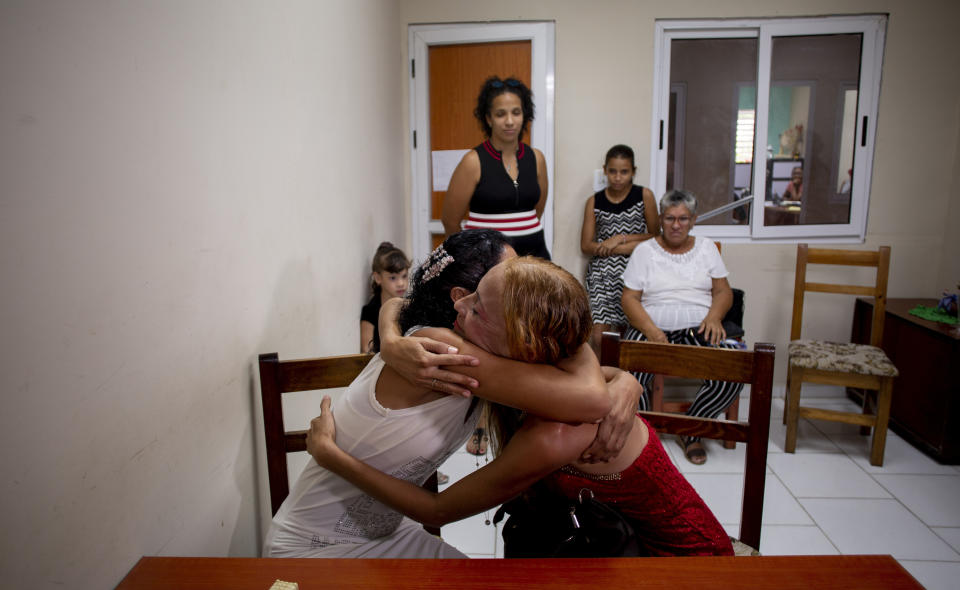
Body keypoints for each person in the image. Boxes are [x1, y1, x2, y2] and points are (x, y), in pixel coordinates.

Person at [307, 256, 733, 557]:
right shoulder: (558, 356)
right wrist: (393, 337)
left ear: (522, 344)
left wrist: (332, 456)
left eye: (477, 308)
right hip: (616, 547)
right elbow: (398, 304)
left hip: (680, 564)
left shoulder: (557, 430)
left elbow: (435, 510)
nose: (460, 305)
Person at [264, 230, 635, 559]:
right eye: (508, 275)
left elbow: (396, 303)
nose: (522, 278)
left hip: (390, 532)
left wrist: (625, 381)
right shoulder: (444, 349)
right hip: (314, 546)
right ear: (463, 294)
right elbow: (591, 399)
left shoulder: (468, 342)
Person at [620, 189, 744, 466]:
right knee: (629, 377)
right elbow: (629, 298)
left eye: (683, 219)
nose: (676, 225)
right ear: (661, 220)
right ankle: (641, 437)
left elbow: (724, 292)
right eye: (670, 218)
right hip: (652, 327)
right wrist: (652, 332)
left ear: (693, 220)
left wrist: (714, 317)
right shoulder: (644, 251)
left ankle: (691, 430)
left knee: (734, 369)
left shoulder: (707, 248)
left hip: (699, 326)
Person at [442, 76, 550, 259]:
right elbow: (450, 221)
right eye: (501, 114)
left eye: (516, 112)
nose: (509, 121)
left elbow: (536, 211)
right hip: (487, 263)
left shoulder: (536, 158)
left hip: (535, 259)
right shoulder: (473, 161)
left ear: (525, 115)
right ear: (488, 119)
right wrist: (471, 258)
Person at [580, 144, 659, 352]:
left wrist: (621, 239)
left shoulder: (644, 196)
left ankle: (628, 380)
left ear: (633, 171)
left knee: (629, 337)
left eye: (624, 172)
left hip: (635, 271)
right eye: (613, 171)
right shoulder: (594, 201)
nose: (617, 177)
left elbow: (657, 237)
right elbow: (586, 245)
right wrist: (617, 247)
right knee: (599, 338)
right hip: (602, 274)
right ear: (605, 170)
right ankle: (601, 382)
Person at [360, 242, 410, 353]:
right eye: (393, 278)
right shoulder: (371, 310)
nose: (401, 283)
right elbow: (366, 349)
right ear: (378, 278)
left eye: (404, 276)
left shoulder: (408, 305)